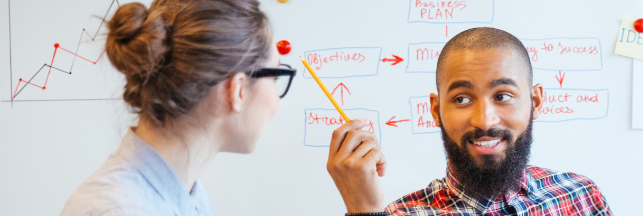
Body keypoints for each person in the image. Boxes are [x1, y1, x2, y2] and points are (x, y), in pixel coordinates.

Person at [325, 27, 611, 216]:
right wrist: (362, 209)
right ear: (436, 110)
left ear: (535, 102)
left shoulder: (581, 195)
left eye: (503, 96)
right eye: (462, 99)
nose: (484, 120)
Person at [58, 0, 294, 215]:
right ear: (238, 90)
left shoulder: (188, 196)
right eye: (275, 76)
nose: (276, 100)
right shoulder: (123, 209)